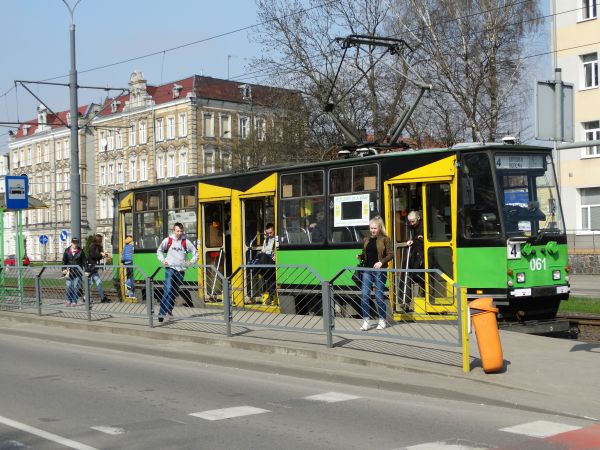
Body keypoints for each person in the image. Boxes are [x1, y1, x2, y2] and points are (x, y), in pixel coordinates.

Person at [156, 222, 198, 322]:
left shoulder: (186, 241)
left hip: (181, 270)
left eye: (181, 231)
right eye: (177, 231)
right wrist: (163, 260)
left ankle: (169, 310)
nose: (179, 233)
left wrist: (191, 262)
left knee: (174, 292)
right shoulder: (168, 240)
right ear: (174, 230)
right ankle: (161, 313)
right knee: (168, 289)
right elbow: (159, 251)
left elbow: (195, 253)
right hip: (170, 269)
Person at [358, 216, 393, 331]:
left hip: (379, 271)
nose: (372, 230)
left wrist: (381, 262)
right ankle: (366, 321)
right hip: (367, 270)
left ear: (379, 228)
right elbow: (365, 253)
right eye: (371, 228)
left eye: (375, 228)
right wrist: (361, 256)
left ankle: (382, 320)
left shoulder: (385, 239)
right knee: (364, 295)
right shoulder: (366, 239)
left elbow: (390, 254)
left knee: (378, 296)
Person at [255, 222, 278, 305]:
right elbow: (264, 250)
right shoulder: (266, 240)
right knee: (261, 271)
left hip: (274, 262)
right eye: (267, 233)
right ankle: (263, 291)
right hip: (267, 261)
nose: (269, 235)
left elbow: (278, 250)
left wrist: (276, 256)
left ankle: (271, 296)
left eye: (271, 232)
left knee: (272, 275)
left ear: (274, 230)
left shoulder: (277, 239)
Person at [405, 210, 425, 307]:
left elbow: (423, 238)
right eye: (410, 221)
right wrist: (412, 240)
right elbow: (415, 237)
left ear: (418, 218)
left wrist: (418, 239)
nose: (411, 223)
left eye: (413, 221)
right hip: (415, 253)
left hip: (421, 254)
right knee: (414, 274)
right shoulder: (411, 227)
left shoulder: (423, 226)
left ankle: (424, 293)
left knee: (418, 274)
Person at [61, 237, 87, 307]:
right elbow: (64, 261)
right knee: (69, 286)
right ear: (71, 243)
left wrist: (87, 270)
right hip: (69, 272)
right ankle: (68, 300)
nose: (75, 244)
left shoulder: (81, 251)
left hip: (78, 272)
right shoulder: (67, 251)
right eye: (74, 243)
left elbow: (84, 262)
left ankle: (74, 301)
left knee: (76, 287)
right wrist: (63, 269)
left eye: (76, 243)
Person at [87, 234, 111, 303]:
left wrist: (103, 255)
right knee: (91, 283)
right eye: (101, 240)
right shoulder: (92, 246)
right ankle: (87, 298)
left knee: (98, 283)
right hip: (91, 267)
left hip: (94, 268)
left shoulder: (98, 246)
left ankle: (102, 298)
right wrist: (101, 255)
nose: (102, 241)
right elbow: (93, 255)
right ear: (98, 240)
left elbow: (97, 256)